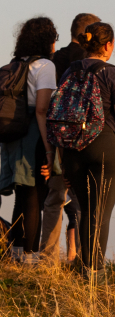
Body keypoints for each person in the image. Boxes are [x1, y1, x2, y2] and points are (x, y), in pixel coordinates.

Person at [60, 22, 115, 281]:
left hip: (72, 147)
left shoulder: (68, 72)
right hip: (106, 145)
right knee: (101, 212)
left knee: (85, 210)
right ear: (108, 45)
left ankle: (85, 269)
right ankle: (95, 274)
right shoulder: (112, 73)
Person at [40, 13, 100, 263]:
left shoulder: (56, 59)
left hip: (58, 135)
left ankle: (47, 255)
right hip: (84, 136)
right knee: (87, 199)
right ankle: (87, 257)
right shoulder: (90, 61)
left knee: (55, 197)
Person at [0, 17, 59, 263]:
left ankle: (15, 252)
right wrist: (49, 150)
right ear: (48, 41)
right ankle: (30, 256)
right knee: (35, 196)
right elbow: (41, 110)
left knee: (22, 195)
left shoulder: (12, 65)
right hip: (34, 132)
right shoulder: (45, 66)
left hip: (11, 134)